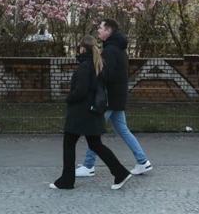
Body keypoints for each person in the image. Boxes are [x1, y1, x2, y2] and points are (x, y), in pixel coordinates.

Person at [50, 35, 132, 190]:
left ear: (82, 48)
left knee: (69, 143)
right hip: (93, 112)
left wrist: (69, 98)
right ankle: (120, 172)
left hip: (80, 113)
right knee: (96, 144)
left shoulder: (85, 66)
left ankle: (67, 180)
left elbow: (80, 90)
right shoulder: (98, 64)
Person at [75, 19, 152, 177]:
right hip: (117, 97)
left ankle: (89, 165)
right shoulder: (119, 49)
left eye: (101, 28)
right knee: (123, 130)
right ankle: (143, 161)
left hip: (108, 98)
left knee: (93, 130)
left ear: (108, 31)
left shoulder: (110, 50)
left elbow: (106, 75)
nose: (98, 31)